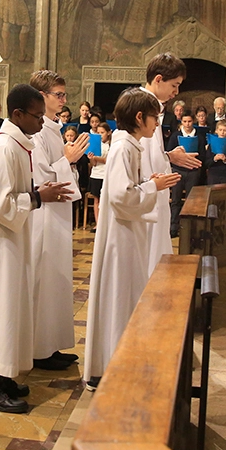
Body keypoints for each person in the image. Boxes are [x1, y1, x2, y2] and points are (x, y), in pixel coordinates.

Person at [0, 84, 73, 413]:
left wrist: (38, 190)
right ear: (18, 114)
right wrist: (39, 198)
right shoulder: (5, 148)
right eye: (37, 116)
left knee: (10, 311)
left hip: (12, 240)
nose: (42, 123)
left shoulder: (17, 144)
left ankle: (5, 375)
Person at [84, 89, 180, 390]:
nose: (157, 125)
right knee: (118, 297)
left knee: (125, 298)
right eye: (154, 118)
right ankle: (109, 367)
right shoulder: (123, 148)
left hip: (128, 234)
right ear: (139, 117)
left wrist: (150, 184)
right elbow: (120, 196)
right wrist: (153, 186)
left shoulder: (131, 145)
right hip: (120, 239)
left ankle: (116, 362)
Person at [28, 71, 88, 372]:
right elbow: (40, 177)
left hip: (58, 213)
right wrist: (68, 160)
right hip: (44, 215)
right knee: (45, 279)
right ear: (42, 96)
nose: (65, 101)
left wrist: (67, 160)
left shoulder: (55, 127)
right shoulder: (36, 131)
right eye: (59, 95)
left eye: (65, 95)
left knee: (58, 281)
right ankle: (39, 349)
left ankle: (51, 344)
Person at [140, 54, 200, 273]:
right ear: (158, 79)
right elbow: (140, 157)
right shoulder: (143, 106)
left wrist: (168, 156)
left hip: (155, 190)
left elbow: (151, 154)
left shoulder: (153, 106)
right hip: (146, 196)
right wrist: (166, 160)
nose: (176, 92)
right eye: (174, 86)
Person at [165, 110, 202, 237]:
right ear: (181, 122)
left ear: (193, 121)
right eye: (184, 121)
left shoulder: (199, 136)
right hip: (178, 171)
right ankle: (173, 228)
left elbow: (202, 154)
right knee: (175, 200)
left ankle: (189, 230)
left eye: (189, 121)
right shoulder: (176, 136)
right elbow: (170, 152)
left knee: (190, 201)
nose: (187, 124)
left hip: (192, 172)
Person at [85, 122, 111, 229]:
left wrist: (96, 158)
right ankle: (98, 223)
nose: (100, 135)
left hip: (106, 175)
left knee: (107, 200)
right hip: (96, 174)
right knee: (96, 200)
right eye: (98, 133)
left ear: (108, 133)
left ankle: (107, 223)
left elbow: (107, 160)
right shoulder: (95, 144)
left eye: (102, 132)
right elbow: (93, 164)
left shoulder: (112, 145)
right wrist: (91, 158)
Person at [202, 119, 226, 186]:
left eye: (224, 130)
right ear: (216, 131)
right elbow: (206, 162)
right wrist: (214, 159)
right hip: (213, 174)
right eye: (220, 130)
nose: (222, 132)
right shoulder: (212, 144)